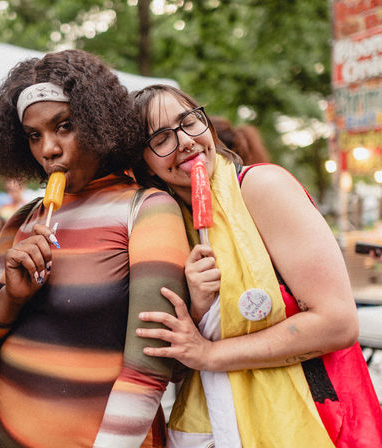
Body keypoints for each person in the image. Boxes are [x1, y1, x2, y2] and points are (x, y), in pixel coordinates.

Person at [131, 84, 382, 447]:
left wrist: (210, 353)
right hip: (215, 425)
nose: (185, 140)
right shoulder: (168, 229)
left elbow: (338, 322)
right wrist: (200, 306)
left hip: (312, 417)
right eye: (161, 138)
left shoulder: (262, 186)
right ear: (145, 165)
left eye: (188, 121)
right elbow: (173, 364)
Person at [0, 49, 190, 447]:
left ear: (98, 123)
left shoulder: (147, 210)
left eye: (64, 126)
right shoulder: (22, 221)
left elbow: (150, 367)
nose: (48, 149)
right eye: (33, 136)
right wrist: (11, 299)